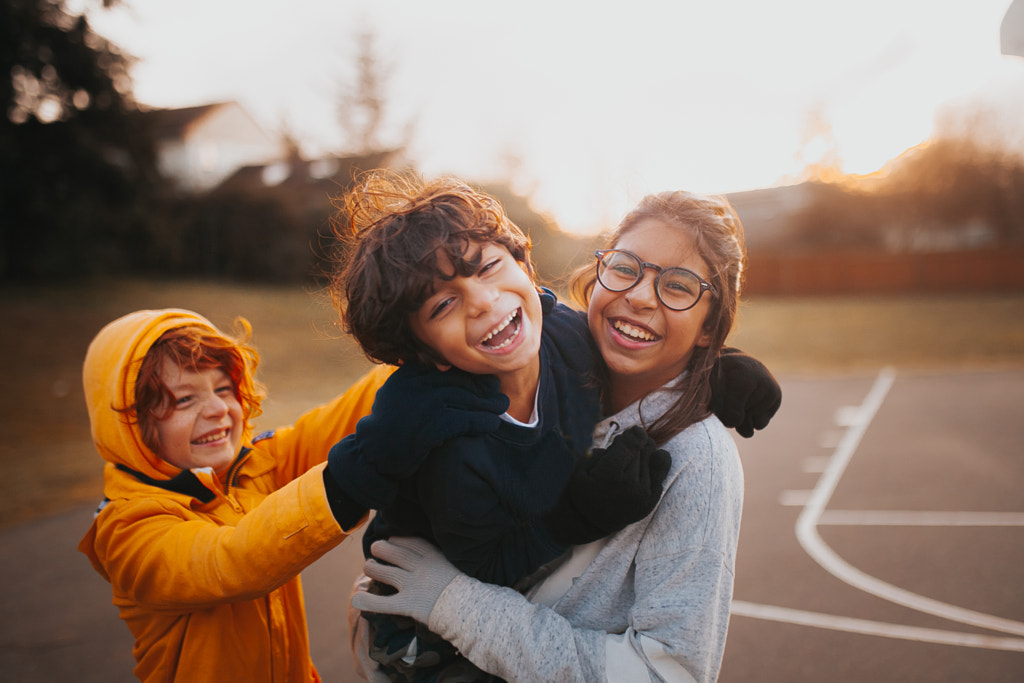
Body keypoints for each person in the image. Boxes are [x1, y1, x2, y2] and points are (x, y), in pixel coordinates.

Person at [350, 189, 761, 682]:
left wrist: (453, 601)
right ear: (599, 274)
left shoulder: (698, 458)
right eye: (626, 268)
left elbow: (667, 675)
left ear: (709, 328)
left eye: (679, 286)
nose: (639, 296)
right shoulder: (541, 359)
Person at [77, 308, 506, 683]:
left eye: (223, 389)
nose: (216, 409)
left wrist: (427, 342)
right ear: (130, 423)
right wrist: (349, 480)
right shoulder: (125, 530)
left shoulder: (251, 465)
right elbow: (231, 561)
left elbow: (341, 418)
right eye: (185, 398)